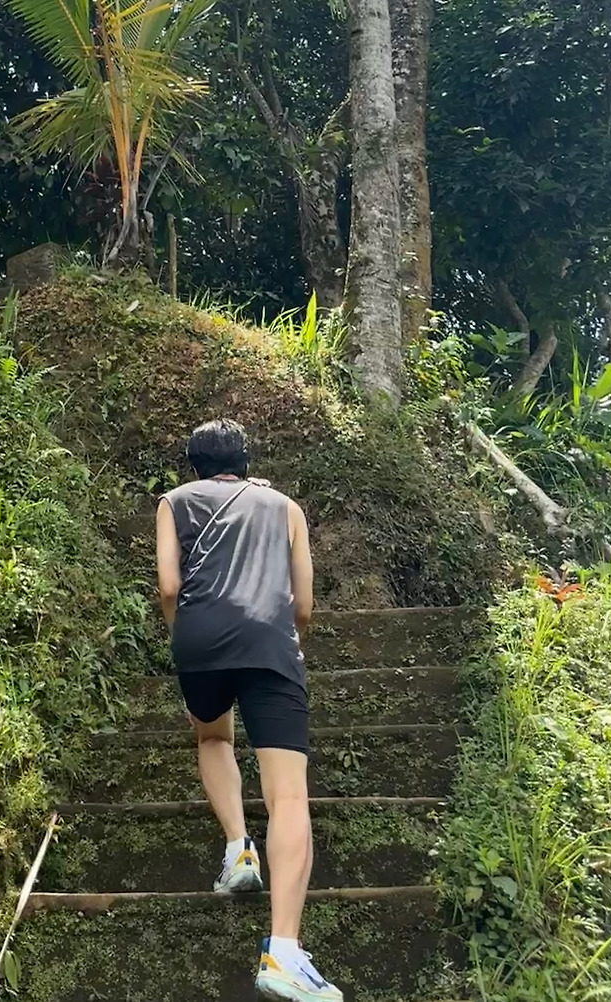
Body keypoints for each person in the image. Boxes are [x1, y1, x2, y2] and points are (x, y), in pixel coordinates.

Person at [156, 417, 342, 1002]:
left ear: (194, 465)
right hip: (268, 645)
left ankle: (239, 849)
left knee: (213, 738)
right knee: (288, 797)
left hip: (199, 643)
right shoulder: (286, 508)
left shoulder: (173, 502)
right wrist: (280, 646)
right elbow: (303, 605)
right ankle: (284, 951)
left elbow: (169, 587)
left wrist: (188, 640)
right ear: (246, 461)